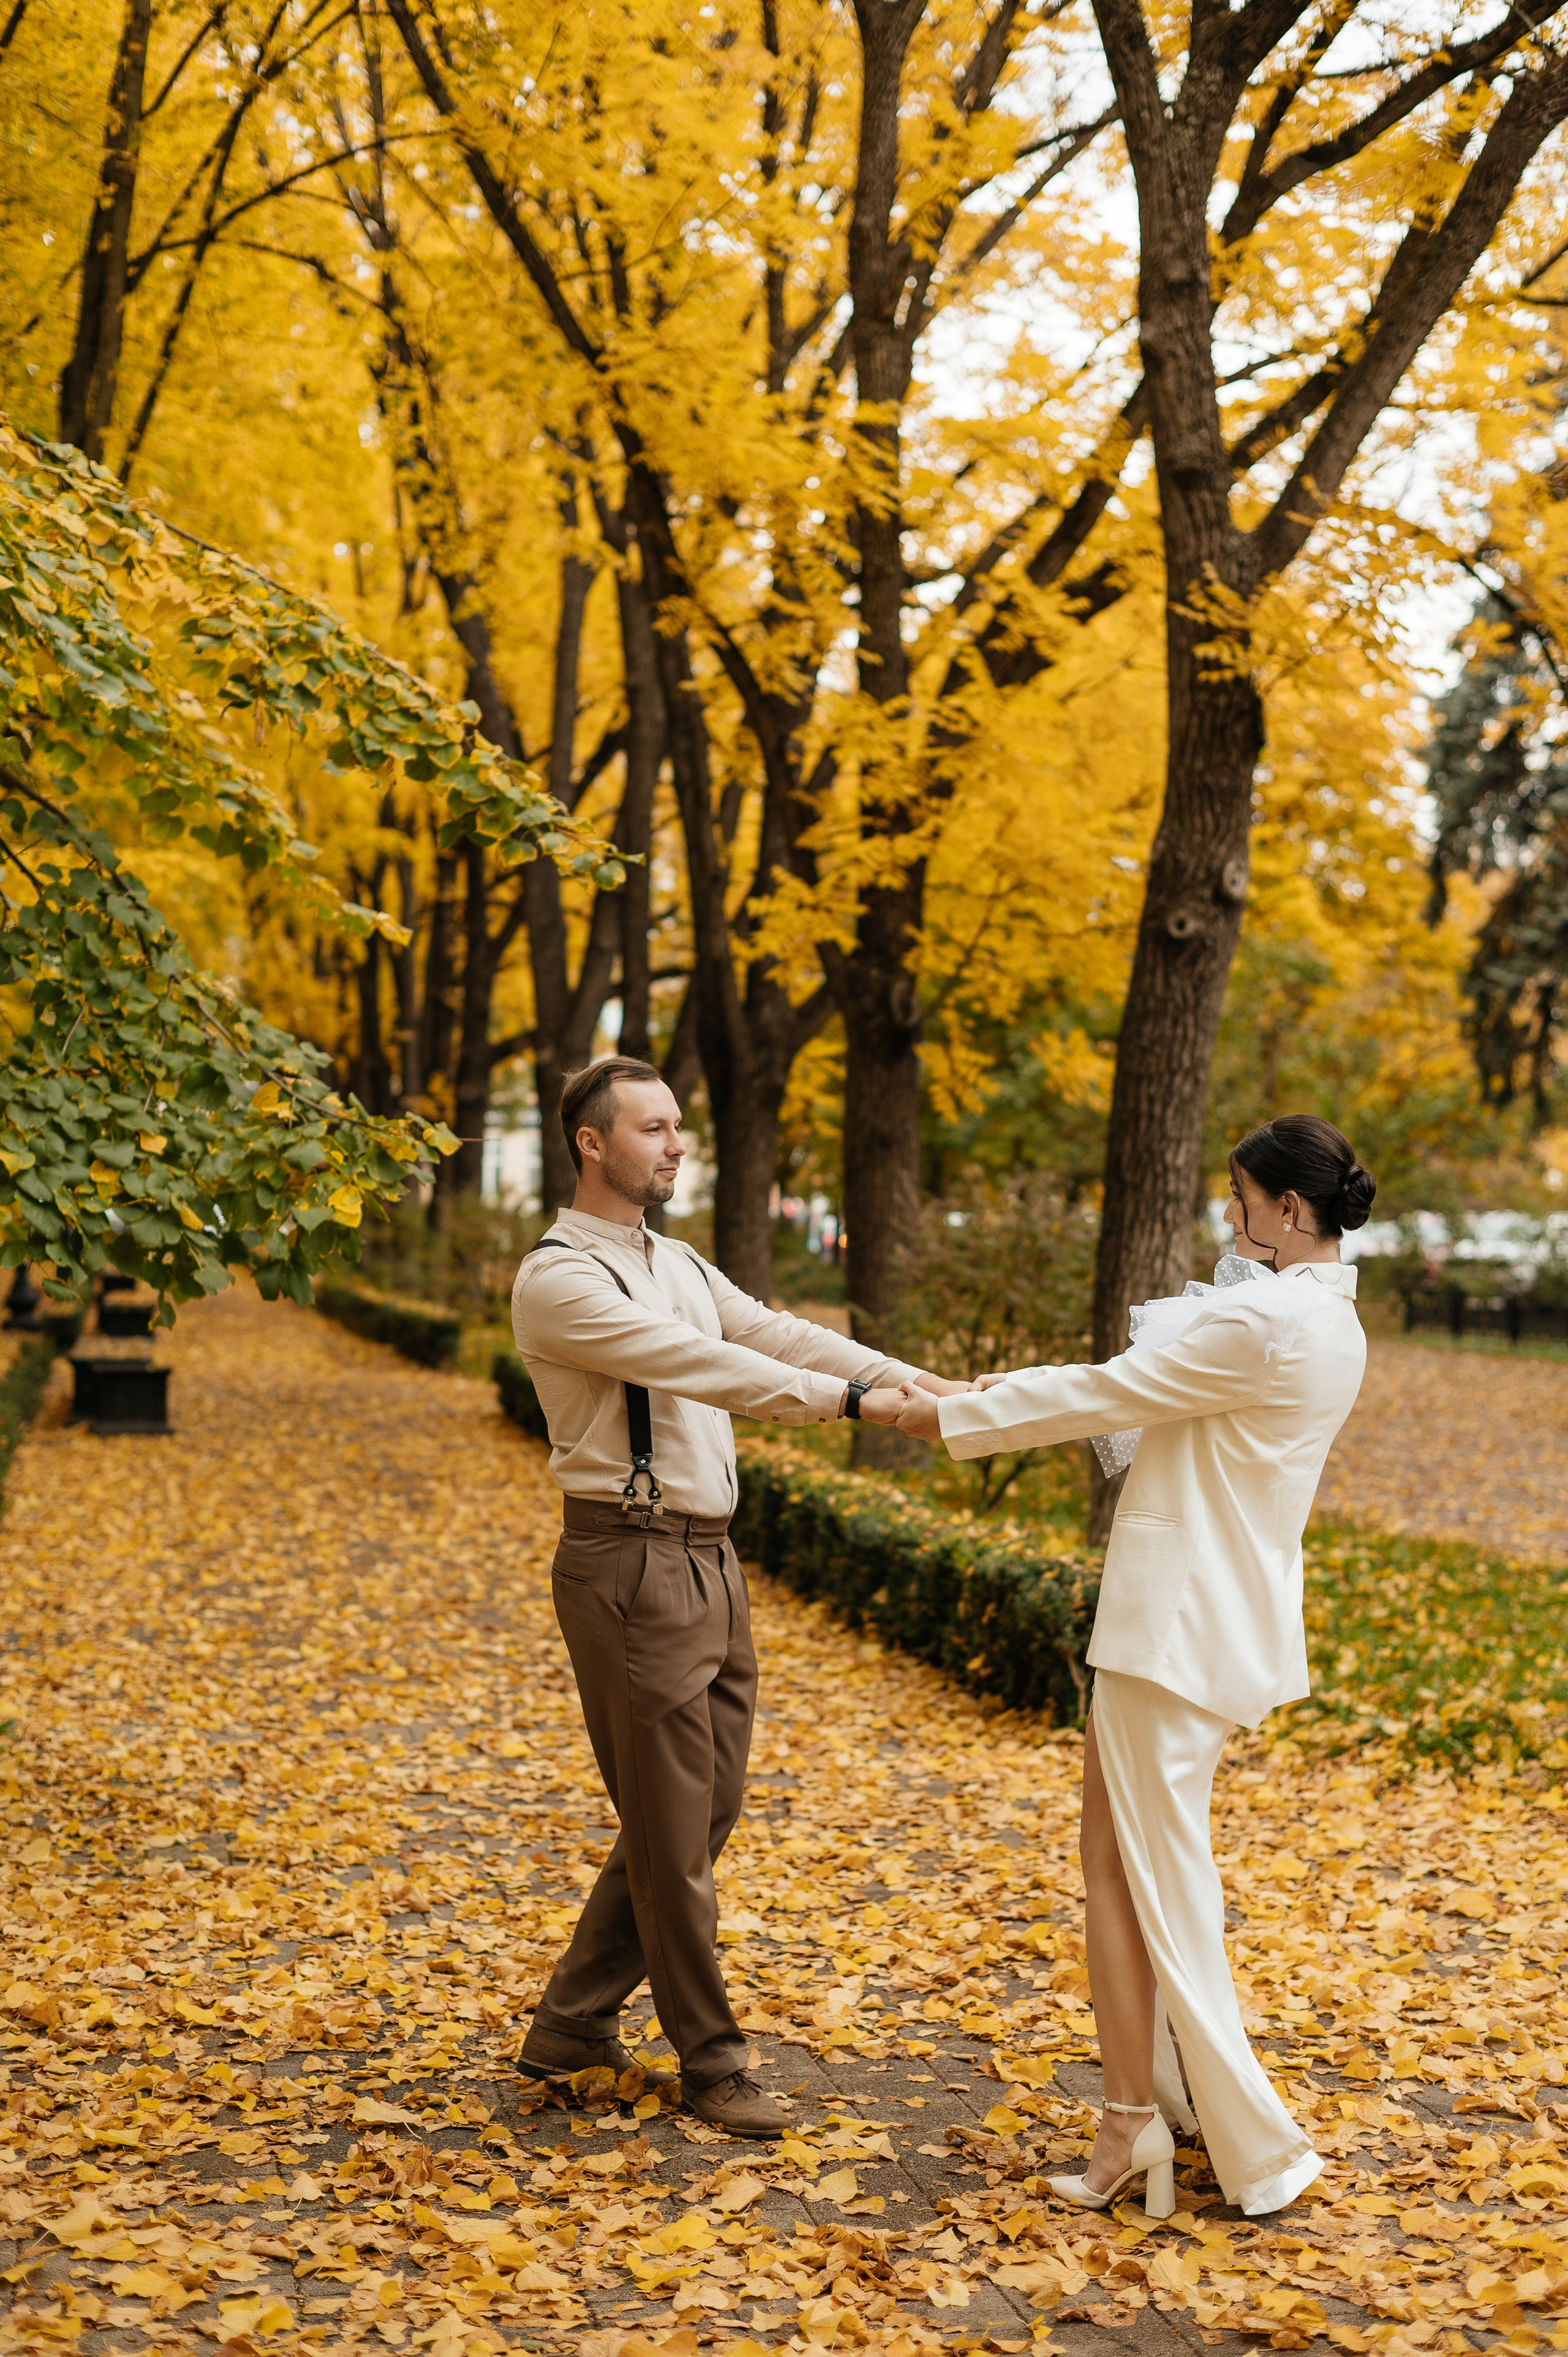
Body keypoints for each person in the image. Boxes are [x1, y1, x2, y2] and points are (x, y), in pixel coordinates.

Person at [862, 1115, 1373, 2217]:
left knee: (1141, 1877)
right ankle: (1157, 2111)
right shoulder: (1329, 1320)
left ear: (1292, 1209)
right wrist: (975, 1397)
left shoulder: (1267, 1321)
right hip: (1201, 1623)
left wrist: (947, 1417)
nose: (1229, 1219)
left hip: (1174, 1630)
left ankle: (1165, 2129)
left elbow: (1107, 1392)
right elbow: (1127, 1385)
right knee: (1121, 1863)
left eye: (1240, 1199)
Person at [510, 1055, 969, 2139]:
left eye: (679, 1125)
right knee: (671, 1833)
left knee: (704, 1812)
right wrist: (862, 1407)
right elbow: (706, 1367)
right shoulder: (561, 1279)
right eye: (654, 1128)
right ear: (592, 1142)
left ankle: (572, 2025)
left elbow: (773, 1333)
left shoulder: (672, 1257)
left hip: (710, 1560)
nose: (676, 1145)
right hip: (628, 1561)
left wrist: (922, 1383)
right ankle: (712, 2066)